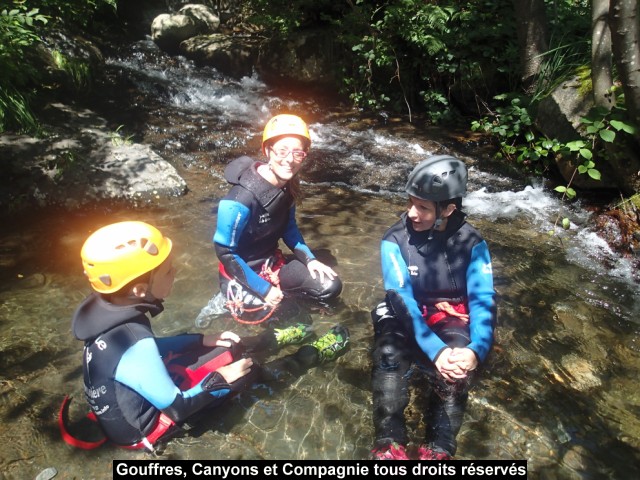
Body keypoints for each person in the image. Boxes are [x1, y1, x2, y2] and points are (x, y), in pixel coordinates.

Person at [66, 221, 350, 451]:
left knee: (231, 346)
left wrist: (200, 340)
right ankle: (309, 356)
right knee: (246, 371)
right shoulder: (133, 338)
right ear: (140, 289)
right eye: (167, 271)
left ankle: (275, 339)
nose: (174, 272)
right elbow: (179, 408)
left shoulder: (111, 313)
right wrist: (222, 379)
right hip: (151, 428)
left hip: (139, 399)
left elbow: (145, 351)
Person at [370, 155, 496, 460]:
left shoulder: (472, 243)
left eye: (423, 207)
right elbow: (400, 297)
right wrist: (434, 350)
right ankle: (389, 443)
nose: (412, 213)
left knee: (455, 369)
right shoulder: (394, 239)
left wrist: (475, 351)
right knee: (389, 353)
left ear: (448, 209)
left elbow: (483, 300)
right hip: (404, 309)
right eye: (411, 202)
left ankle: (440, 448)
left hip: (447, 312)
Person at [209, 114, 342, 325]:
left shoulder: (287, 187)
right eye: (282, 150)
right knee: (286, 319)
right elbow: (225, 252)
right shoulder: (239, 199)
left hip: (270, 264)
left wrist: (311, 260)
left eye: (297, 153)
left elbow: (289, 229)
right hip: (239, 273)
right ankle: (223, 302)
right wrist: (264, 289)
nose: (289, 159)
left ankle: (281, 296)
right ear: (267, 150)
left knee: (329, 287)